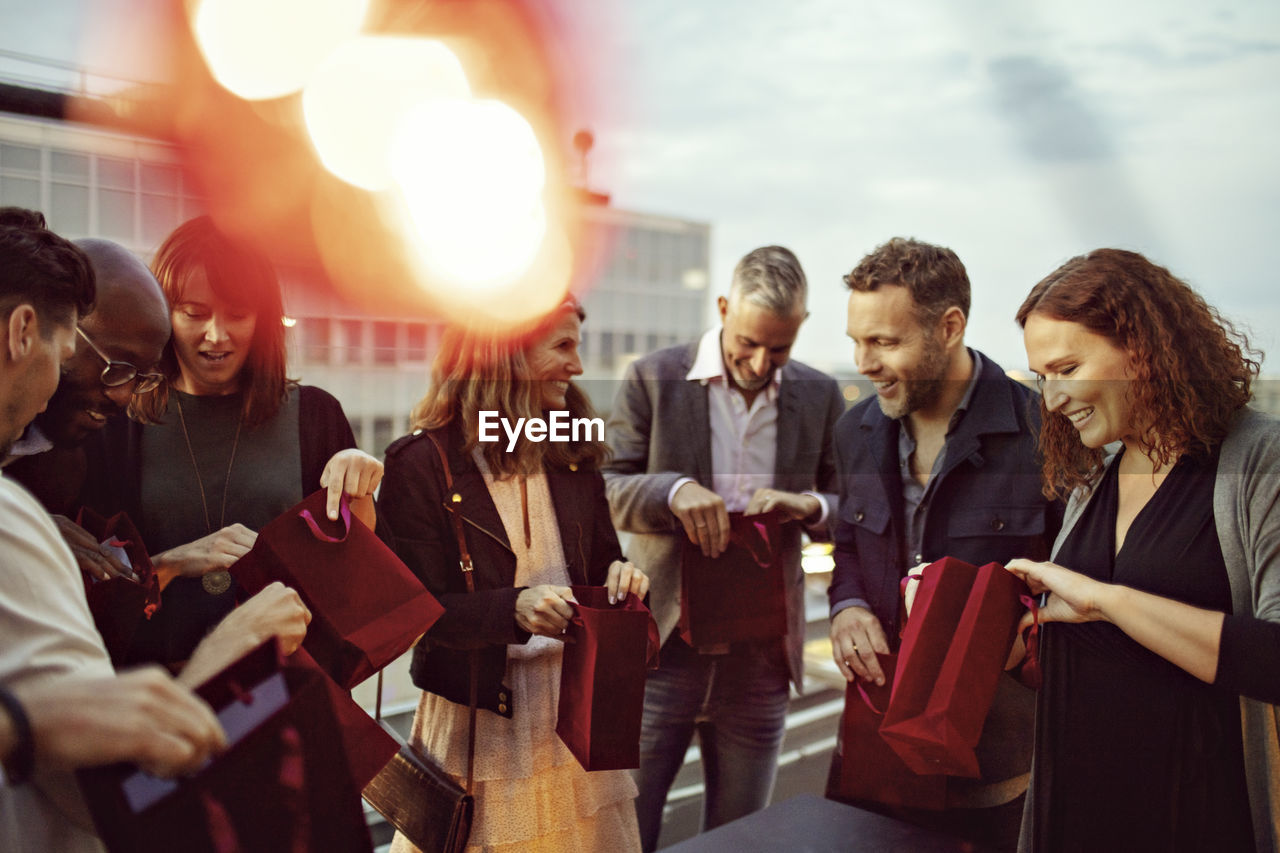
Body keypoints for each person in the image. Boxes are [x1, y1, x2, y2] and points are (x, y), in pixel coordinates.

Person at [0, 207, 308, 850]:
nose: (120, 397)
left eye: (138, 375)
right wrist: (229, 648)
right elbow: (117, 791)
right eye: (107, 365)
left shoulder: (313, 414)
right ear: (22, 332)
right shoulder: (17, 520)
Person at [1009, 248, 1279, 852]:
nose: (1051, 399)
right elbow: (1073, 649)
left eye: (1067, 368)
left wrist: (1107, 601)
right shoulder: (1096, 478)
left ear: (1142, 348)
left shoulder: (1261, 458)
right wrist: (982, 618)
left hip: (1196, 814)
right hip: (1075, 811)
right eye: (1041, 378)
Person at [377, 297, 649, 852]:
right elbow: (413, 612)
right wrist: (512, 609)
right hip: (481, 724)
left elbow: (603, 561)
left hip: (576, 714)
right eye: (563, 347)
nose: (577, 366)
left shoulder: (573, 446)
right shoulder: (420, 463)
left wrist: (621, 578)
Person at [603, 245, 843, 850]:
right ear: (722, 308)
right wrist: (673, 491)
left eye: (780, 348)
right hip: (662, 651)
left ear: (802, 328)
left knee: (742, 842)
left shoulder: (820, 395)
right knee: (628, 835)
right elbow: (602, 489)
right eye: (748, 342)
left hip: (759, 660)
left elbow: (856, 506)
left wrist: (808, 507)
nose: (761, 362)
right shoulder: (651, 378)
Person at [827, 237, 1059, 851]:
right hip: (878, 749)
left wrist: (1028, 635)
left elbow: (1081, 587)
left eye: (884, 341)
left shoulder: (1048, 436)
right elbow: (847, 546)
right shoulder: (854, 428)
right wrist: (847, 605)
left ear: (950, 326)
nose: (864, 361)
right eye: (857, 340)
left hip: (999, 764)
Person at [77, 215, 381, 667]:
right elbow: (88, 585)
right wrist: (175, 561)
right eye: (193, 313)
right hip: (162, 691)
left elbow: (353, 564)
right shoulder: (120, 423)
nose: (216, 335)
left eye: (237, 314)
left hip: (288, 688)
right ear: (163, 314)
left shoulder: (315, 414)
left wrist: (359, 485)